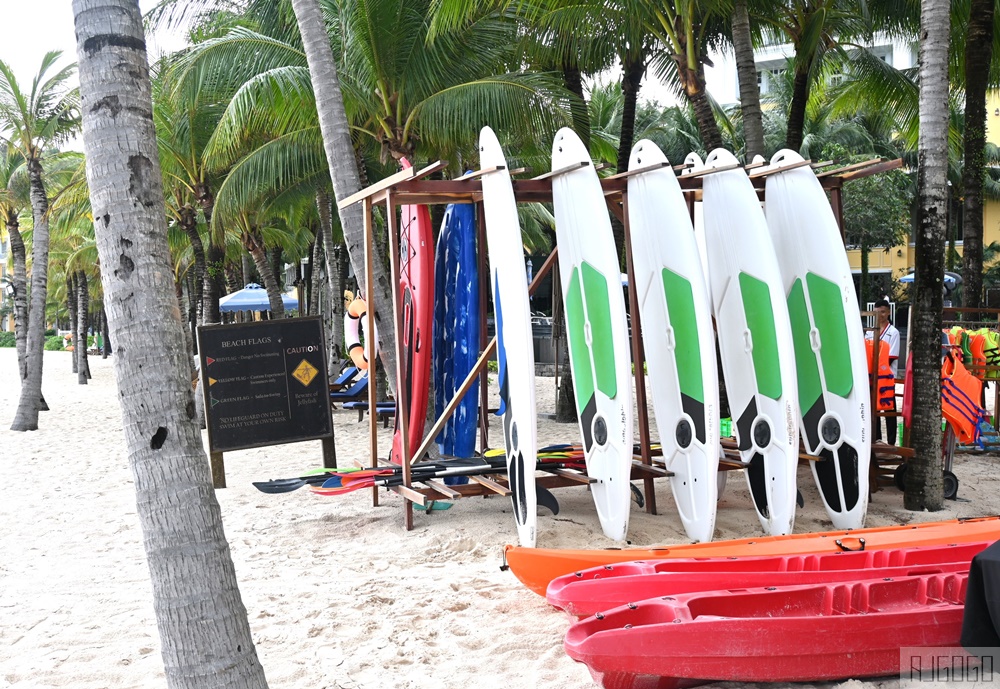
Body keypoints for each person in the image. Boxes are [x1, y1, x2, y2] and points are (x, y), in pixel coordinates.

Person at [866, 298, 900, 444]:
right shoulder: (869, 332)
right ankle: (877, 439)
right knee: (875, 410)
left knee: (889, 409)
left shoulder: (894, 333)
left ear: (888, 313)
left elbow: (891, 357)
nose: (880, 315)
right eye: (878, 312)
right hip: (872, 377)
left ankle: (891, 442)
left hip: (887, 377)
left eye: (883, 312)